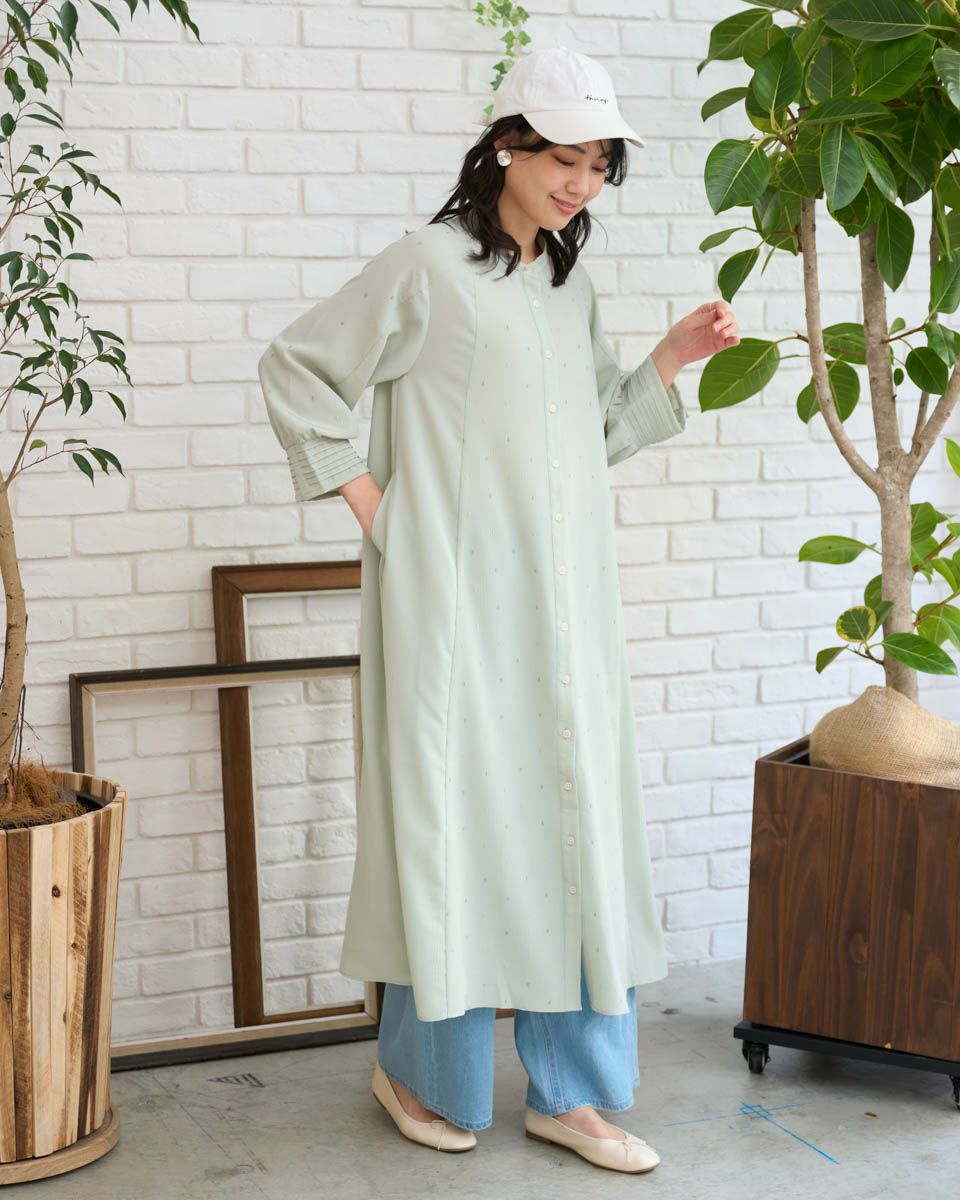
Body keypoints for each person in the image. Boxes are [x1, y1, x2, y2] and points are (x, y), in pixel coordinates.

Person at [258, 46, 739, 1173]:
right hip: (453, 604)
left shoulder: (568, 286)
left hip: (567, 608)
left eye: (599, 164)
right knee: (455, 827)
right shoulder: (426, 265)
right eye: (565, 157)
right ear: (508, 147)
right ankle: (422, 1073)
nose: (581, 182)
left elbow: (592, 434)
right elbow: (298, 368)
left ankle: (574, 1093)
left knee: (577, 823)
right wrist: (379, 510)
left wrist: (670, 358)